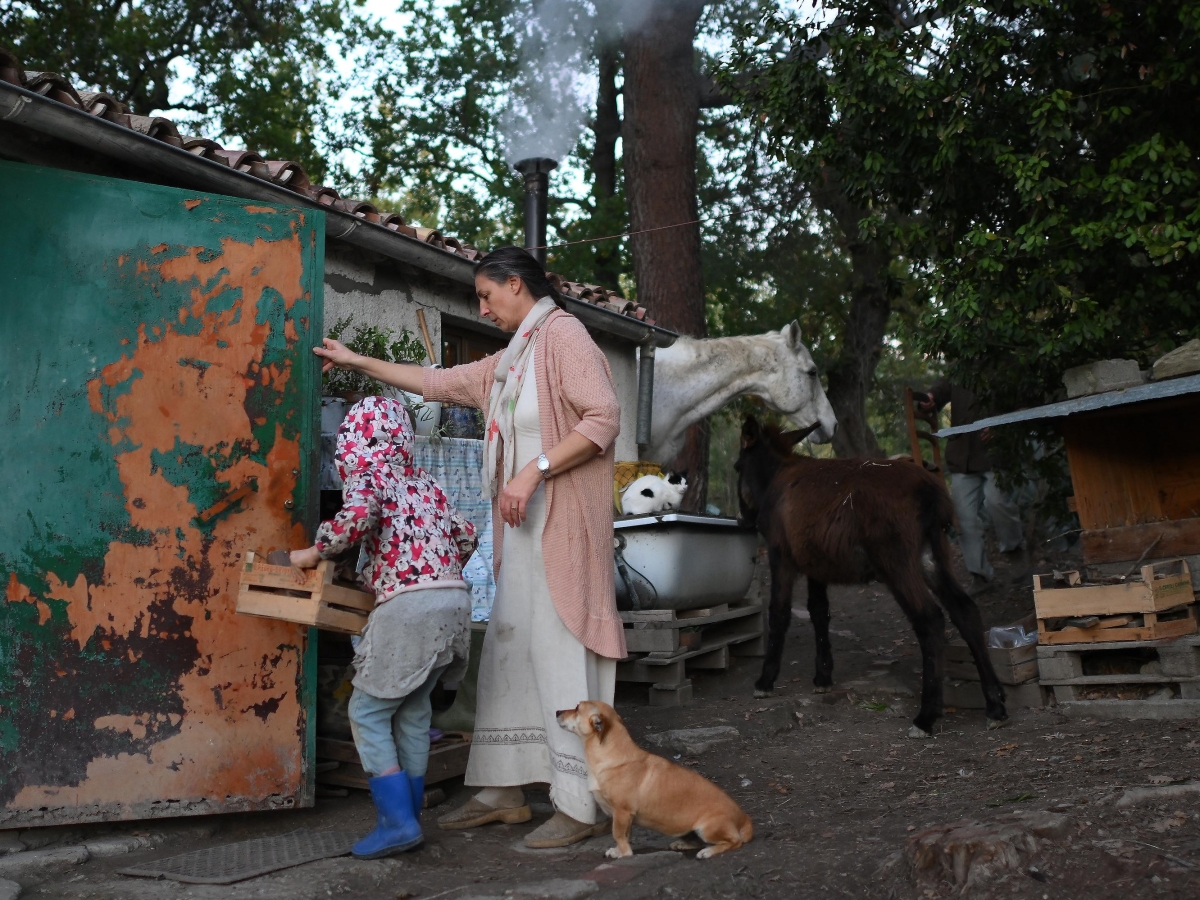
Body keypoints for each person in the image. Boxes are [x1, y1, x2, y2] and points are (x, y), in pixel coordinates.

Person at [313, 246, 626, 849]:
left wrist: (532, 471)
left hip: (562, 533)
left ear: (516, 284)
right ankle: (504, 790)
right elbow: (437, 382)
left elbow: (603, 417)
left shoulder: (564, 336)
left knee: (558, 655)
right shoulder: (513, 360)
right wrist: (356, 360)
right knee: (509, 655)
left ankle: (578, 803)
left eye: (486, 295)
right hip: (524, 536)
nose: (481, 309)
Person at [290, 397, 477, 859]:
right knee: (413, 712)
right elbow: (466, 534)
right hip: (454, 602)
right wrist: (432, 572)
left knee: (368, 712)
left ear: (352, 443)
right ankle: (409, 815)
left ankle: (396, 824)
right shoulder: (424, 483)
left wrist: (313, 553)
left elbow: (356, 520)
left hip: (411, 609)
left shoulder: (369, 477)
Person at [916, 381, 1026, 591]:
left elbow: (1022, 406)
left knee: (997, 503)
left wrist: (1001, 428)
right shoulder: (959, 371)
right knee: (963, 516)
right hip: (962, 455)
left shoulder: (1002, 368)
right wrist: (930, 398)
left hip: (995, 455)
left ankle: (1015, 550)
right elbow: (942, 389)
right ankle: (980, 575)